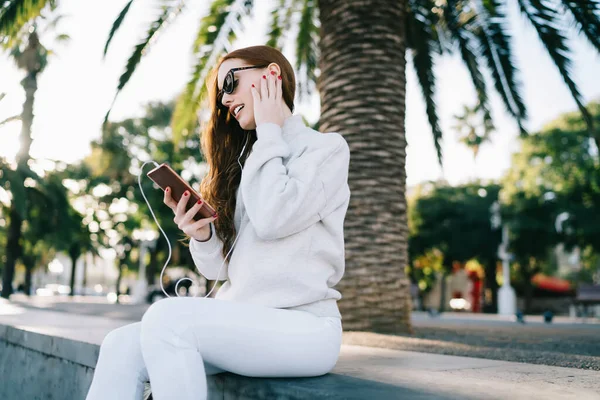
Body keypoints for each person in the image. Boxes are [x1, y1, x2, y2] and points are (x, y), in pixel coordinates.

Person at [86, 45, 351, 400]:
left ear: (271, 75)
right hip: (243, 322)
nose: (225, 100)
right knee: (120, 344)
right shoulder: (253, 161)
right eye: (220, 93)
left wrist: (270, 133)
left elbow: (275, 218)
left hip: (305, 329)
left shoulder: (325, 149)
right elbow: (221, 270)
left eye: (230, 83)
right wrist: (203, 235)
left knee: (167, 319)